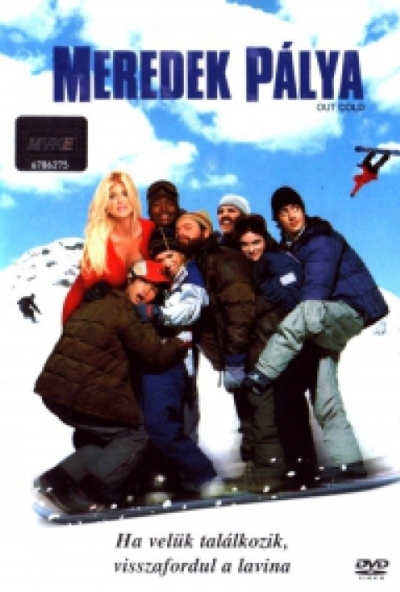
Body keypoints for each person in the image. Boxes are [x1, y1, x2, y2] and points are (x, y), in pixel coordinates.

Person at [243, 186, 389, 479]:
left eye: (295, 208)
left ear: (303, 209)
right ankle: (348, 462)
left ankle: (263, 372)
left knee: (307, 310)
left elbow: (315, 292)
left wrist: (267, 367)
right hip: (325, 322)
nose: (291, 215)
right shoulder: (291, 248)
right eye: (284, 212)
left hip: (348, 309)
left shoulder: (320, 239)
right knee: (326, 396)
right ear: (277, 219)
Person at [33, 260, 188, 514]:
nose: (148, 293)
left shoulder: (96, 302)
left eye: (155, 289)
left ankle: (55, 481)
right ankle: (88, 492)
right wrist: (179, 343)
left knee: (109, 440)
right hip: (82, 392)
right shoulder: (127, 313)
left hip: (55, 389)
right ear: (131, 279)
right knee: (137, 435)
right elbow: (155, 355)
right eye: (145, 283)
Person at [175, 210, 289, 492]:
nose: (180, 233)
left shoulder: (221, 258)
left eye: (187, 227)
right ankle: (256, 470)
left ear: (205, 231)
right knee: (248, 414)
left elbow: (239, 308)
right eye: (177, 230)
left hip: (252, 346)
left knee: (260, 413)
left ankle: (271, 474)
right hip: (237, 351)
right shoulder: (200, 263)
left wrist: (235, 358)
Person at [135, 227, 225, 499]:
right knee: (161, 423)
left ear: (182, 256)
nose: (166, 262)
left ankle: (203, 477)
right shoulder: (168, 282)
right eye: (160, 258)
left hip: (173, 361)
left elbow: (191, 307)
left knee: (161, 424)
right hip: (161, 359)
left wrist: (157, 313)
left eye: (171, 255)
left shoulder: (190, 276)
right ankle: (166, 480)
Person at [233, 214, 319, 483]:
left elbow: (294, 298)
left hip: (295, 343)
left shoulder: (277, 260)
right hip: (277, 345)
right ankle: (298, 467)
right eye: (245, 244)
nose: (251, 249)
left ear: (265, 239)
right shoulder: (253, 266)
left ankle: (304, 469)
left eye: (255, 242)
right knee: (284, 407)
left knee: (289, 404)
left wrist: (265, 292)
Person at [62, 171, 155, 324]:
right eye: (112, 196)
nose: (120, 201)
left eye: (124, 193)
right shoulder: (97, 241)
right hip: (89, 309)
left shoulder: (151, 229)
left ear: (132, 196)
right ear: (105, 205)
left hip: (135, 311)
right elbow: (91, 289)